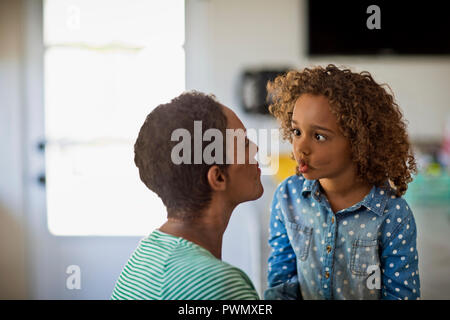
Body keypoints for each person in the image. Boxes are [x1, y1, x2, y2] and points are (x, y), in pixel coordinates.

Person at [264, 64, 420, 300]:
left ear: (359, 143)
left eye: (319, 136)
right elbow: (282, 284)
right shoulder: (288, 196)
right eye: (296, 132)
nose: (301, 148)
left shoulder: (392, 214)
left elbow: (401, 295)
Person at [111, 91, 264, 300]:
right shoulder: (218, 286)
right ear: (218, 177)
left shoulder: (144, 259)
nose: (256, 149)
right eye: (245, 144)